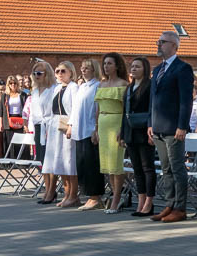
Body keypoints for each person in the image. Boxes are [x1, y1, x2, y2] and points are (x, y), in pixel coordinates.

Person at [148, 30, 194, 223]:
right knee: (165, 168)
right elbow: (153, 99)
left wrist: (182, 125)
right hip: (158, 127)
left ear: (175, 46)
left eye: (163, 42)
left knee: (177, 167)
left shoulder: (182, 68)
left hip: (174, 128)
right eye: (158, 41)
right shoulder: (158, 70)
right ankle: (169, 204)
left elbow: (186, 100)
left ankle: (180, 208)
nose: (159, 44)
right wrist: (150, 123)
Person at [121, 57, 157, 217]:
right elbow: (124, 113)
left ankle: (149, 202)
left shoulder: (149, 86)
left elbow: (152, 109)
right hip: (130, 131)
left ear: (145, 69)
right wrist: (122, 133)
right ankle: (141, 199)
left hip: (145, 130)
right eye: (132, 66)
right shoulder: (129, 88)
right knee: (137, 169)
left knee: (147, 167)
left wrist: (152, 129)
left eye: (137, 66)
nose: (134, 69)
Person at [67, 59, 104, 211]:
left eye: (87, 68)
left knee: (92, 165)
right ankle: (87, 195)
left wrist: (96, 129)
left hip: (90, 130)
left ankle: (95, 197)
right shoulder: (81, 87)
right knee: (81, 164)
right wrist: (70, 125)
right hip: (78, 130)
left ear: (94, 69)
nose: (83, 70)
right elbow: (75, 109)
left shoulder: (97, 85)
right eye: (82, 68)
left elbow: (97, 108)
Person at [96, 53, 128, 214]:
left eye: (109, 63)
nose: (106, 66)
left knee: (116, 163)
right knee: (108, 164)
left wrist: (123, 129)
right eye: (105, 64)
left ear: (117, 66)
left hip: (116, 124)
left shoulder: (123, 84)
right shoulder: (101, 85)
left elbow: (126, 109)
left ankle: (117, 197)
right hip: (103, 124)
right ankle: (114, 194)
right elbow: (97, 108)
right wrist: (95, 129)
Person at [43, 62, 80, 207]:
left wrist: (71, 126)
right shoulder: (57, 88)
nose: (59, 73)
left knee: (69, 162)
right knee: (59, 162)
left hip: (67, 127)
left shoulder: (73, 87)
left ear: (70, 72)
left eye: (63, 71)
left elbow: (75, 109)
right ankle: (66, 194)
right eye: (57, 71)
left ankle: (73, 194)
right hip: (55, 126)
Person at [30, 61, 59, 204]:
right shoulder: (35, 91)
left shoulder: (53, 89)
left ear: (47, 74)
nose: (37, 76)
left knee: (50, 161)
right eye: (35, 73)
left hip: (49, 127)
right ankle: (47, 189)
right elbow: (32, 112)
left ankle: (52, 191)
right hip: (38, 127)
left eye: (39, 73)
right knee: (42, 160)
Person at [0, 76, 28, 158]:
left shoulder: (22, 94)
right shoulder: (4, 96)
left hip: (20, 119)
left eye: (15, 83)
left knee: (20, 140)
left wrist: (26, 123)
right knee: (9, 141)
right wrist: (0, 124)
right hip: (8, 120)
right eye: (11, 83)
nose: (13, 85)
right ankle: (9, 162)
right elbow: (1, 111)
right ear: (8, 85)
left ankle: (21, 161)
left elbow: (27, 108)